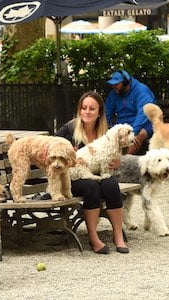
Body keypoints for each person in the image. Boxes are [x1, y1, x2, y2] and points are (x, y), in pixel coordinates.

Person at [56, 91, 129, 254]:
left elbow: (119, 154)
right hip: (72, 178)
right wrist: (67, 154)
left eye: (92, 109)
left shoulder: (107, 133)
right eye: (84, 108)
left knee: (110, 185)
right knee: (91, 187)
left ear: (99, 112)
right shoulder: (69, 129)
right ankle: (93, 238)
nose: (87, 112)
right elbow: (51, 148)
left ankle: (118, 236)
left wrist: (117, 162)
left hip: (97, 174)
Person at [105, 69, 156, 155]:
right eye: (113, 84)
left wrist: (132, 133)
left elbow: (142, 115)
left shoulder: (141, 91)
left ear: (125, 83)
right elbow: (107, 113)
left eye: (116, 84)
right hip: (122, 125)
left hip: (144, 124)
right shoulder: (114, 93)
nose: (114, 87)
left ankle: (125, 160)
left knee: (138, 136)